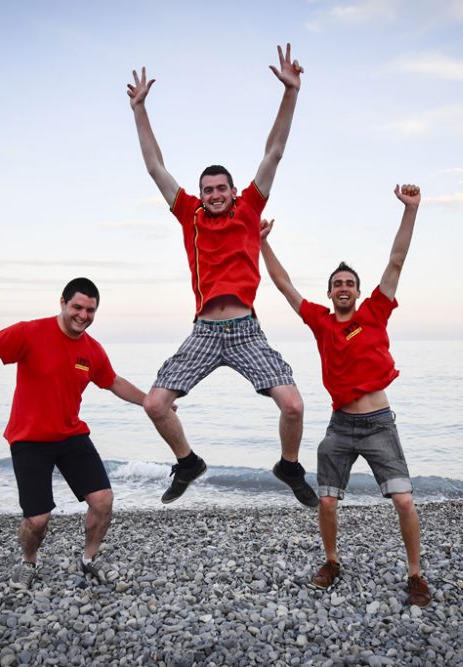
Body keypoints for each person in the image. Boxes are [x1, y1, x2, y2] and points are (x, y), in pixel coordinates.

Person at [126, 43, 317, 507]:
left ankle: (289, 467)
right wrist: (139, 109)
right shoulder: (189, 214)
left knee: (293, 405)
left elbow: (274, 152)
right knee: (154, 404)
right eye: (207, 189)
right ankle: (188, 462)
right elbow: (155, 167)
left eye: (221, 189)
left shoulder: (250, 208)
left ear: (234, 191)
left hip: (247, 331)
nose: (213, 195)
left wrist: (290, 93)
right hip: (205, 332)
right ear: (201, 193)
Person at [258, 184, 432, 607]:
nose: (343, 287)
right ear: (330, 290)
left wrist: (411, 210)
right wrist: (263, 243)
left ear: (357, 289)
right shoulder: (321, 321)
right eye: (337, 282)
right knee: (328, 501)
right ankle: (332, 562)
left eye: (349, 282)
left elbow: (396, 260)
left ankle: (415, 575)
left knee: (405, 501)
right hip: (340, 425)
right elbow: (283, 285)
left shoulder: (376, 309)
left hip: (378, 424)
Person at [0, 278, 153, 589]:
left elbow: (113, 382)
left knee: (103, 500)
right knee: (38, 519)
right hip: (29, 438)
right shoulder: (29, 332)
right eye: (77, 307)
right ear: (62, 302)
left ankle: (88, 559)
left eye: (90, 310)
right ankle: (28, 562)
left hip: (70, 435)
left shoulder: (92, 351)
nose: (83, 315)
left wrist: (151, 402)